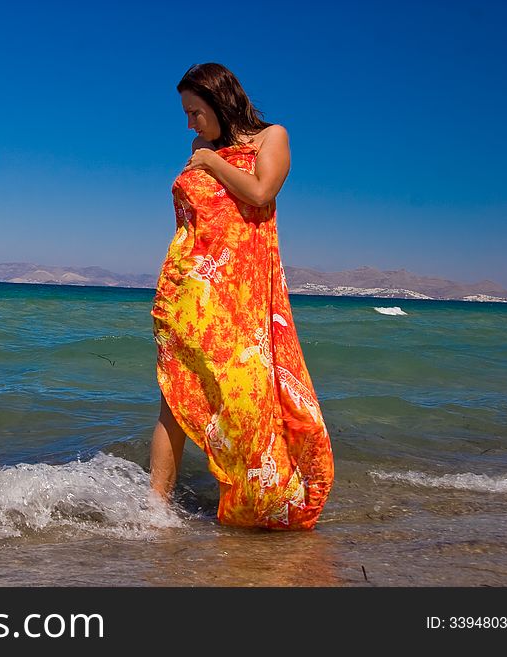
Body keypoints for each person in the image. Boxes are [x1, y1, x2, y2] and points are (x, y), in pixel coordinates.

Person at [149, 63, 334, 530]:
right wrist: (207, 154)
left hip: (243, 298)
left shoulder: (272, 137)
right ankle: (154, 510)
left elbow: (260, 192)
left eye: (195, 112)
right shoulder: (201, 145)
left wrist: (212, 162)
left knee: (247, 397)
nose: (190, 125)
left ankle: (257, 497)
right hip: (189, 287)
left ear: (219, 99)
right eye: (187, 114)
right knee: (176, 397)